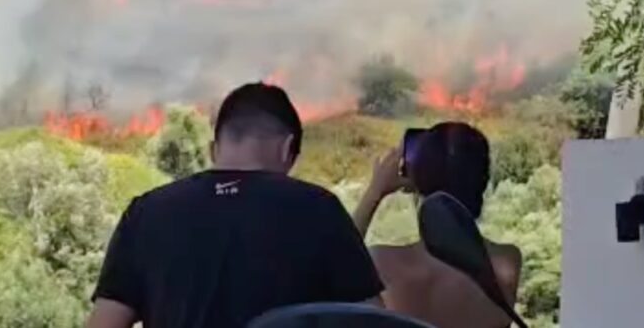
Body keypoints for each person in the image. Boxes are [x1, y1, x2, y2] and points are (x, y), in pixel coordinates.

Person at [86, 82, 385, 328]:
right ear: (286, 149)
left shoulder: (146, 213)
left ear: (213, 149)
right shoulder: (320, 209)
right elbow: (374, 321)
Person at [352, 122, 522, 328]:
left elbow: (330, 275)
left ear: (415, 180)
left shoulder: (382, 262)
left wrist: (375, 192)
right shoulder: (507, 262)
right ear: (481, 181)